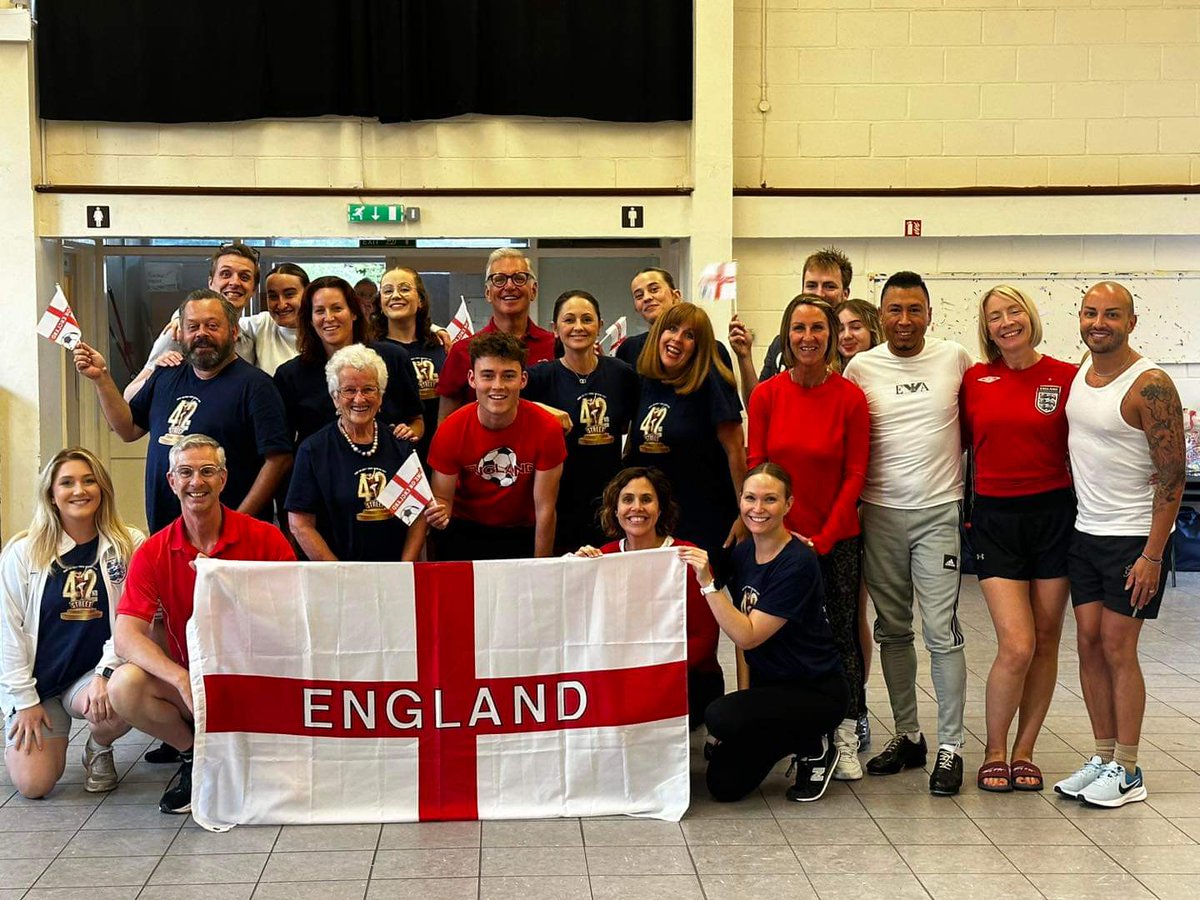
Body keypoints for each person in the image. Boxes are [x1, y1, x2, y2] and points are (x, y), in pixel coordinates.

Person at [108, 434, 296, 814]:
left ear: (223, 479)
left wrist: (233, 588)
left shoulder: (265, 538)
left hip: (255, 676)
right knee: (123, 686)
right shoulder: (154, 551)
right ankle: (194, 755)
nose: (197, 482)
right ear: (171, 481)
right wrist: (181, 678)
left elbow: (296, 615)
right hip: (192, 681)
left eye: (208, 471)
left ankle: (254, 754)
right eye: (186, 473)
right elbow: (126, 635)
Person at [1054, 281, 1185, 808]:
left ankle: (1128, 769)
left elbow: (1172, 476)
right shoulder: (1081, 375)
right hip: (1086, 532)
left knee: (1116, 647)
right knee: (1088, 643)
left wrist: (1153, 554)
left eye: (1111, 314)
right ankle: (1103, 755)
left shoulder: (1149, 384)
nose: (1099, 323)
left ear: (1131, 322)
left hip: (1134, 538)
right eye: (1090, 313)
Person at [843, 271, 972, 796]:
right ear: (881, 316)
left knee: (941, 632)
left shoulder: (955, 359)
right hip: (879, 514)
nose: (904, 320)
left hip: (938, 512)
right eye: (894, 310)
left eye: (914, 309)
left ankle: (951, 746)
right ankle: (909, 736)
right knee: (891, 630)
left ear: (929, 314)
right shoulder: (860, 367)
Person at [747, 294, 869, 780]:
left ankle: (846, 730)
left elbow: (855, 474)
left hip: (834, 541)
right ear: (786, 336)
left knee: (839, 638)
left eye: (818, 328)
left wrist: (823, 537)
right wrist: (777, 532)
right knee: (779, 639)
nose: (808, 337)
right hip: (776, 543)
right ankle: (794, 731)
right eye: (798, 328)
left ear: (832, 336)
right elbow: (757, 466)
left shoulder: (850, 398)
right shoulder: (766, 395)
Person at [960, 286, 1077, 793]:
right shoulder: (974, 380)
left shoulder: (1065, 377)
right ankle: (994, 749)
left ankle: (1025, 750)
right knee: (1017, 644)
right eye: (995, 316)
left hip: (1054, 516)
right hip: (996, 519)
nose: (1007, 322)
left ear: (1030, 317)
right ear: (986, 328)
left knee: (1046, 640)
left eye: (1014, 312)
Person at [680, 464, 849, 803]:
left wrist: (708, 584)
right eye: (750, 498)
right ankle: (792, 737)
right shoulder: (745, 551)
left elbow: (747, 635)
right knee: (724, 785)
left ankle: (814, 742)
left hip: (814, 691)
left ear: (788, 504)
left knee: (719, 716)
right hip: (771, 690)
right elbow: (738, 623)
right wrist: (746, 700)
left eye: (770, 499)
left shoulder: (797, 563)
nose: (758, 508)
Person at [74, 289, 293, 534]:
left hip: (232, 538)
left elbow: (278, 460)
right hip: (166, 533)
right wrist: (101, 378)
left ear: (234, 332)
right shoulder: (166, 374)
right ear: (181, 333)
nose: (201, 334)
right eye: (193, 326)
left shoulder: (257, 386)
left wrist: (238, 522)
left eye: (212, 326)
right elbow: (128, 429)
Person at [1, 449, 142, 798]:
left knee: (129, 689)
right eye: (67, 483)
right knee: (34, 785)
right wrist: (25, 701)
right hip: (39, 682)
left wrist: (105, 673)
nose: (79, 490)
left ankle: (99, 747)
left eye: (89, 481)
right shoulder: (23, 551)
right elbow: (7, 631)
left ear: (102, 489)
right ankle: (25, 720)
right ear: (51, 493)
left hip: (91, 678)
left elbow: (132, 620)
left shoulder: (129, 544)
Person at [573, 467, 723, 726]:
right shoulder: (603, 557)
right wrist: (575, 570)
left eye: (646, 499)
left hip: (684, 676)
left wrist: (652, 673)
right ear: (615, 509)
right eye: (627, 499)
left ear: (660, 508)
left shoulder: (687, 557)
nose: (637, 507)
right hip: (623, 676)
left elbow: (705, 639)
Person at [425, 332, 567, 560]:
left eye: (508, 376)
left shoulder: (547, 428)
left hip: (522, 532)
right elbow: (443, 500)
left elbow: (545, 510)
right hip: (465, 530)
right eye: (488, 376)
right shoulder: (451, 429)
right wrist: (438, 516)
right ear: (472, 379)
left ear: (523, 379)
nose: (498, 386)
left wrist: (542, 568)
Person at [286, 346, 426, 562]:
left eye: (368, 389)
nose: (359, 399)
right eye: (349, 390)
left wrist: (404, 568)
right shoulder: (313, 450)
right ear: (335, 397)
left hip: (395, 572)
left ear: (381, 396)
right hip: (335, 574)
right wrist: (340, 573)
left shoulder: (400, 445)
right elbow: (300, 524)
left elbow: (417, 516)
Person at [627, 302, 745, 557]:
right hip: (654, 520)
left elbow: (736, 451)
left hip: (704, 519)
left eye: (689, 335)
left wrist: (743, 514)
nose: (677, 339)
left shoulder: (711, 382)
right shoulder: (646, 381)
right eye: (671, 329)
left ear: (699, 346)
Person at [524, 290, 639, 551]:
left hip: (609, 503)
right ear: (555, 329)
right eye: (569, 320)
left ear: (599, 325)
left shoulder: (622, 374)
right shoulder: (539, 377)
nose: (578, 327)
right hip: (558, 502)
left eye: (587, 319)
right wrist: (540, 409)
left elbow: (632, 425)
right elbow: (500, 405)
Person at [273, 275, 424, 448]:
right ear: (310, 320)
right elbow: (283, 443)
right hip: (320, 464)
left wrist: (409, 433)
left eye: (337, 308)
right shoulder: (290, 375)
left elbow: (417, 421)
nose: (329, 317)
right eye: (319, 311)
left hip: (388, 462)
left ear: (354, 313)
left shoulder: (394, 358)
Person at [835, 296, 885, 751]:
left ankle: (858, 707)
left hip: (875, 506)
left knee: (854, 616)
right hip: (838, 507)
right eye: (841, 328)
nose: (847, 335)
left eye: (856, 327)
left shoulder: (880, 371)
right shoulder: (838, 374)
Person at [122, 242, 261, 401]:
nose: (235, 282)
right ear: (211, 283)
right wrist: (157, 374)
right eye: (225, 274)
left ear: (254, 289)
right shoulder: (179, 334)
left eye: (244, 277)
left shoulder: (248, 340)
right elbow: (129, 396)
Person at [437, 248, 555, 417]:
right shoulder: (462, 351)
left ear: (533, 290)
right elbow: (446, 422)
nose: (509, 286)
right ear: (488, 293)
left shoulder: (554, 345)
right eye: (499, 279)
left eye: (519, 278)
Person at [729, 247, 853, 402]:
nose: (819, 293)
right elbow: (758, 405)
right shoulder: (782, 344)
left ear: (845, 293)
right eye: (811, 285)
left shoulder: (852, 344)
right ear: (802, 290)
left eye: (829, 286)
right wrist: (744, 357)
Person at [378, 265, 447, 469]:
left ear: (420, 300)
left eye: (405, 289)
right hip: (395, 453)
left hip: (439, 451)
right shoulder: (372, 351)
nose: (395, 295)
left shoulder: (441, 346)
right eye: (387, 291)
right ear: (380, 302)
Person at [617, 267, 734, 370]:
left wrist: (742, 358)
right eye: (639, 296)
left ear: (676, 296)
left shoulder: (711, 349)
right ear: (636, 307)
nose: (647, 298)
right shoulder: (629, 349)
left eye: (654, 289)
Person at [237, 262, 307, 376]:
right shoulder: (261, 324)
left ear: (307, 294)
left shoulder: (323, 329)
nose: (281, 305)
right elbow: (226, 326)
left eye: (289, 294)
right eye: (273, 296)